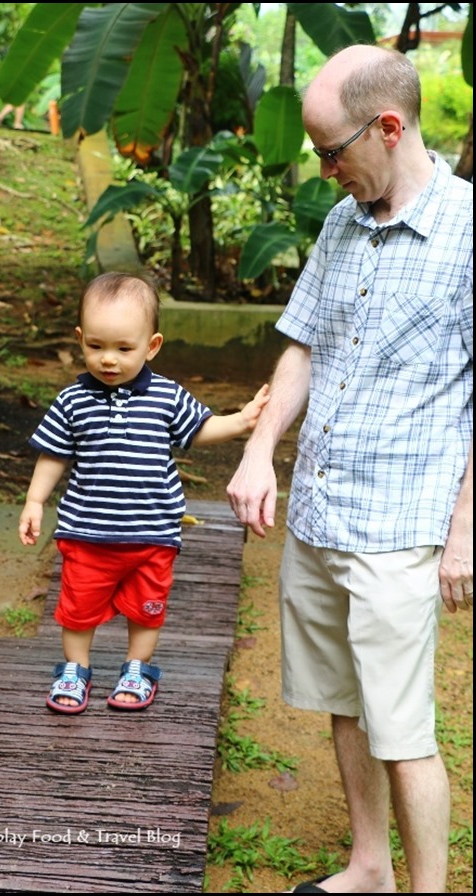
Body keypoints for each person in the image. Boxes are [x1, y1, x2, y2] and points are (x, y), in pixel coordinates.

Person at [227, 45, 472, 895]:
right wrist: (260, 450)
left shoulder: (468, 232)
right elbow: (302, 345)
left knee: (403, 730)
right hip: (320, 514)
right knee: (344, 702)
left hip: (399, 528)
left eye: (332, 151)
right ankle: (368, 865)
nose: (324, 169)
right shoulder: (341, 221)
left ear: (389, 127)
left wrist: (461, 538)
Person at [19, 271, 269, 715]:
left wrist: (241, 420)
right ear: (80, 339)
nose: (108, 360)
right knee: (76, 610)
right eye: (95, 346)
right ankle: (76, 670)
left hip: (152, 535)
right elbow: (54, 454)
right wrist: (35, 501)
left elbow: (201, 428)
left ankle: (137, 667)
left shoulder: (166, 396)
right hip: (87, 534)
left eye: (123, 348)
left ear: (152, 345)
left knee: (147, 610)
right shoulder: (73, 400)